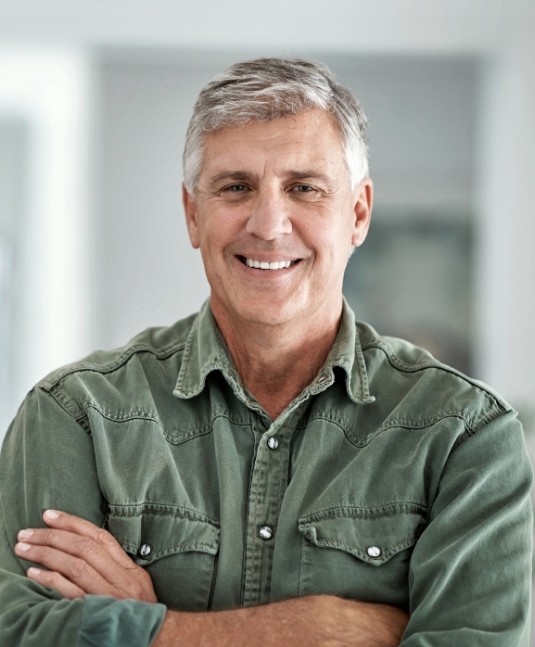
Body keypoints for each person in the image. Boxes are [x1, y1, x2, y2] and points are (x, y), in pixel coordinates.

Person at [0, 57, 532, 646]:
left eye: (303, 188)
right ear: (192, 214)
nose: (269, 224)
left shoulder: (464, 435)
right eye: (236, 188)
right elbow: (21, 632)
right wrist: (320, 630)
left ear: (357, 213)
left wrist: (149, 629)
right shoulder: (74, 416)